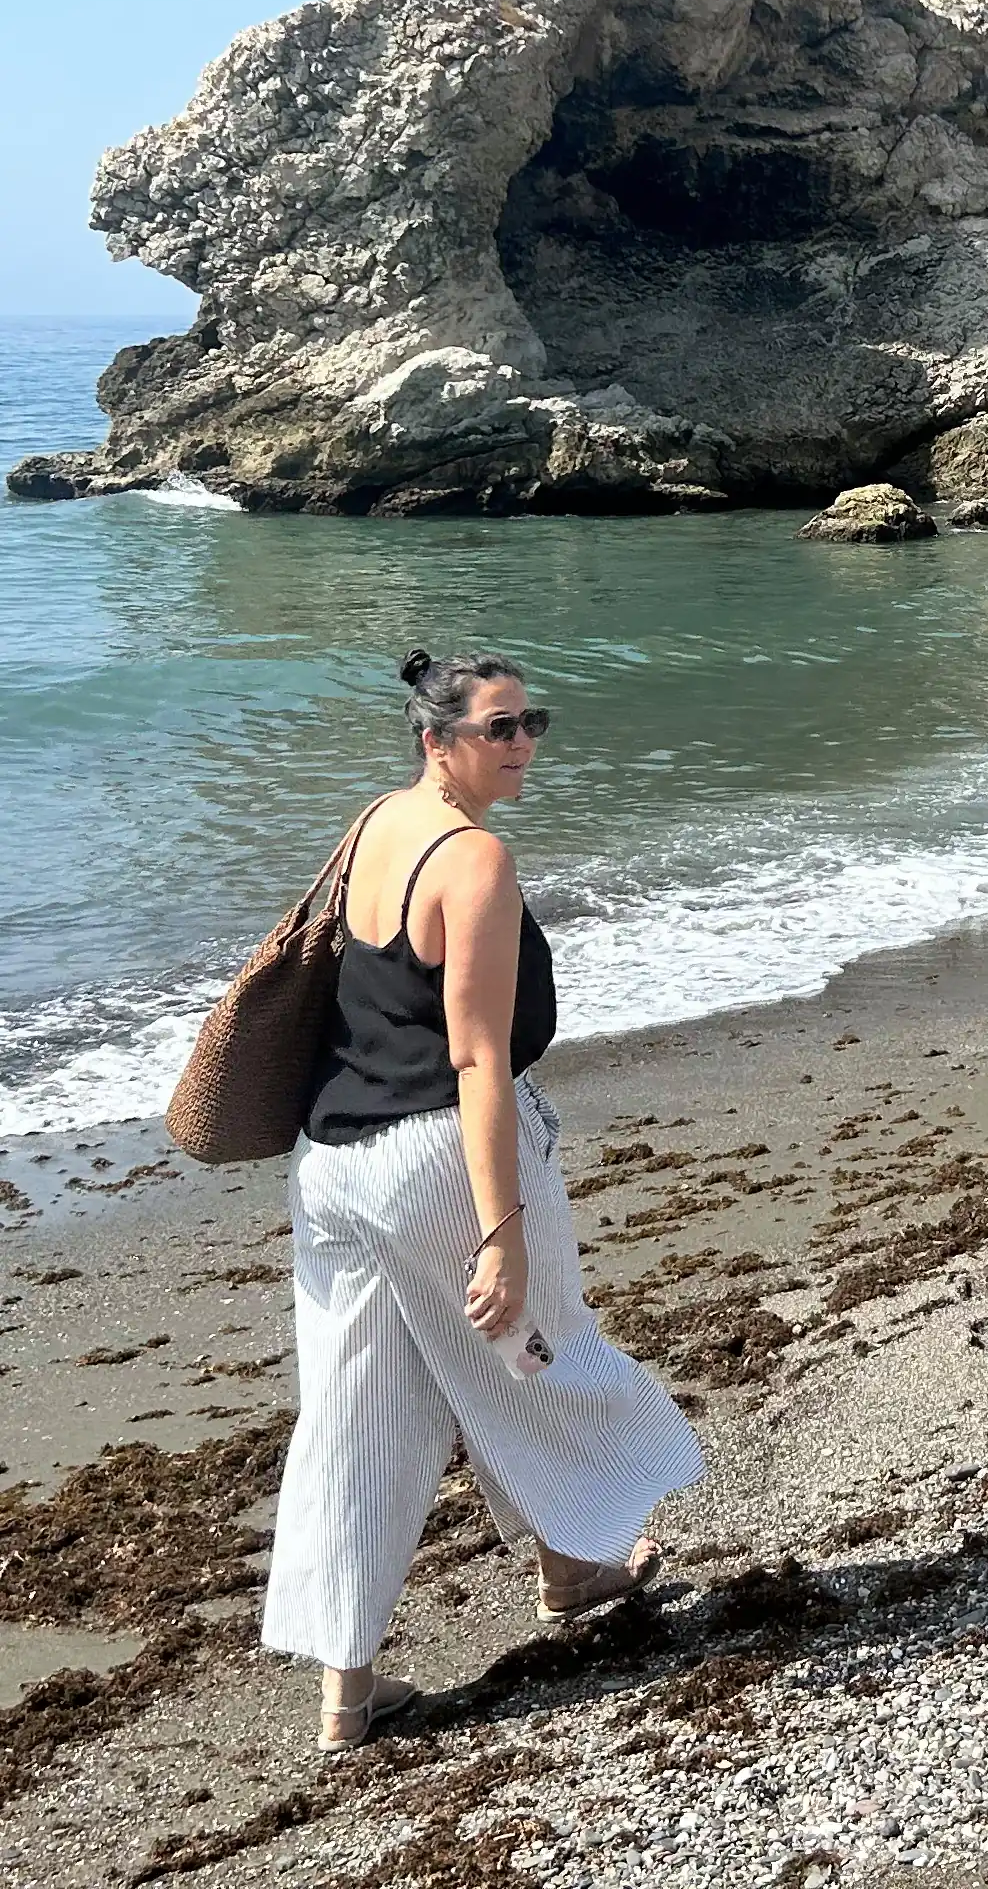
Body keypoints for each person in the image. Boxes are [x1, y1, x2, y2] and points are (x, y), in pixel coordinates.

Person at [261, 648, 704, 1755]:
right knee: (542, 1358)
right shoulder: (476, 862)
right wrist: (501, 1233)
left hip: (333, 1164)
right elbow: (477, 1062)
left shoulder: (378, 822)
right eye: (497, 728)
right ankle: (579, 1552)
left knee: (360, 1417)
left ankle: (353, 1692)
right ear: (437, 739)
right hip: (433, 1161)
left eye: (529, 722)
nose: (521, 745)